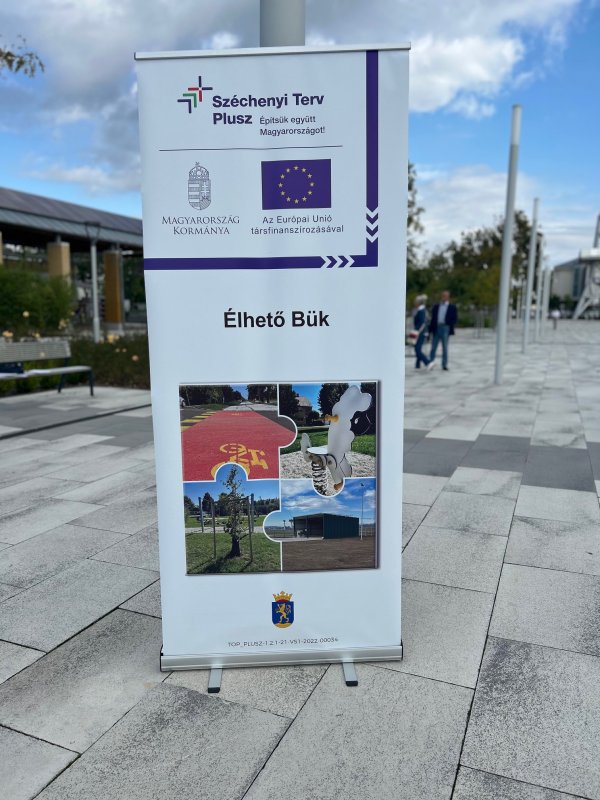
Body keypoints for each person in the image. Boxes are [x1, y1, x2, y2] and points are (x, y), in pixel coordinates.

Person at [429, 290, 458, 370]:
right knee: (433, 347)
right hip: (437, 327)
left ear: (448, 297)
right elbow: (433, 319)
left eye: (445, 296)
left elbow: (455, 318)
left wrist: (448, 323)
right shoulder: (436, 306)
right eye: (442, 296)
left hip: (445, 328)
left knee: (445, 347)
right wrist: (430, 330)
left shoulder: (452, 307)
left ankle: (444, 364)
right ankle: (431, 363)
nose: (443, 297)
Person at [412, 295, 435, 370]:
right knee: (418, 348)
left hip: (420, 333)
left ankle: (428, 362)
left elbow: (422, 323)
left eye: (416, 301)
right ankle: (417, 365)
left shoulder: (421, 311)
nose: (414, 303)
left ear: (419, 302)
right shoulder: (421, 310)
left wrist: (416, 331)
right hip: (421, 332)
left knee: (417, 349)